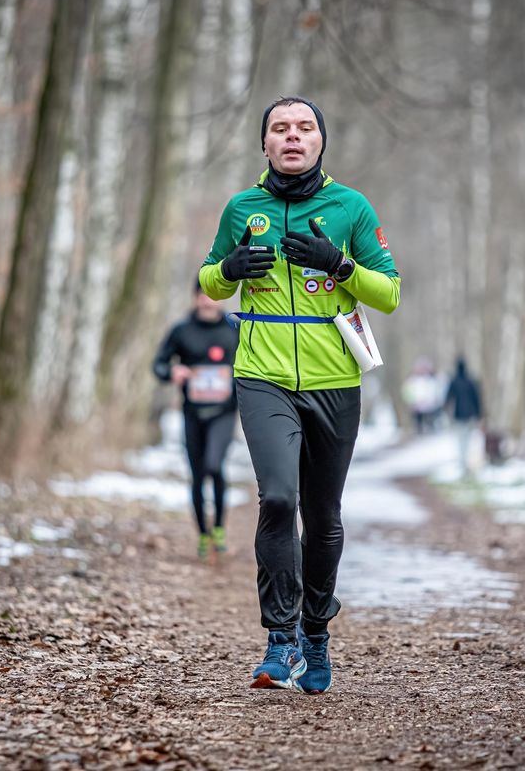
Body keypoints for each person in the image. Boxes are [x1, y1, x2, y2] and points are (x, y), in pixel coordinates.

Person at [199, 96, 400, 693]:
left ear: (320, 141)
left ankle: (317, 632)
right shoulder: (242, 207)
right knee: (279, 500)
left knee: (324, 516)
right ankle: (279, 638)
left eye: (304, 128)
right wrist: (230, 268)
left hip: (335, 380)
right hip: (261, 375)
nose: (293, 137)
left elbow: (387, 293)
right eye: (280, 129)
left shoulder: (351, 207)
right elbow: (209, 281)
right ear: (264, 144)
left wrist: (339, 264)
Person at [152, 278, 238, 559]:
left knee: (215, 464)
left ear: (223, 297)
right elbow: (159, 364)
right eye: (202, 294)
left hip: (224, 412)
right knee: (198, 474)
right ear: (195, 297)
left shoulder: (235, 327)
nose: (207, 299)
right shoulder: (181, 330)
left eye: (213, 294)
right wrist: (172, 373)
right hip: (192, 412)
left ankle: (220, 527)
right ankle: (203, 533)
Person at [444, 356, 483, 474]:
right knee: (467, 439)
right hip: (469, 415)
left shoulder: (454, 381)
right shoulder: (470, 381)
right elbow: (476, 399)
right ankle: (465, 462)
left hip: (458, 415)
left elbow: (447, 398)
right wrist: (478, 414)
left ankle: (463, 461)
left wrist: (445, 409)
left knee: (461, 439)